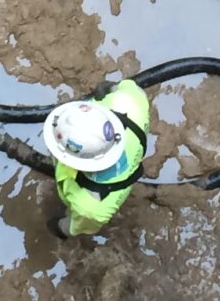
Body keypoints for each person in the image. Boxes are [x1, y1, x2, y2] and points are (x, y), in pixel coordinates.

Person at [43, 79, 153, 238]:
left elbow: (75, 227)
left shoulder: (89, 208)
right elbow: (128, 88)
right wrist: (110, 88)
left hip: (84, 203)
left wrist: (60, 227)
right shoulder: (130, 101)